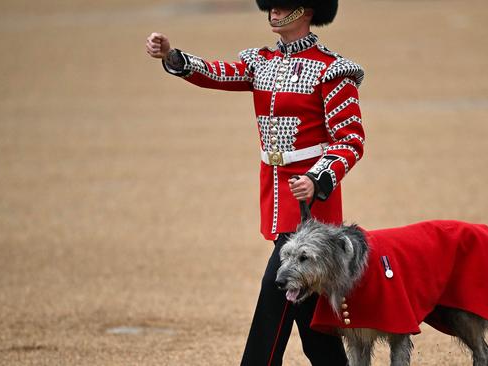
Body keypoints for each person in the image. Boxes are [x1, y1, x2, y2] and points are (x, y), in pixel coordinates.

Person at [145, 1, 365, 364]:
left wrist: (317, 177)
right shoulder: (261, 62)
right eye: (272, 6)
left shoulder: (332, 70)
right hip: (276, 191)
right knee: (308, 313)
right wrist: (172, 55)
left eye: (283, 6)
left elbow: (350, 139)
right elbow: (219, 73)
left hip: (312, 199)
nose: (273, 12)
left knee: (277, 287)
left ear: (306, 11)